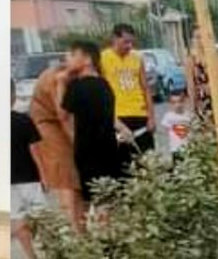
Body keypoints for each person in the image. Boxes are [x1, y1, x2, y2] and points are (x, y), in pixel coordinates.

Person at [27, 46, 86, 232]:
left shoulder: (73, 77)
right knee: (65, 177)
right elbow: (64, 117)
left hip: (58, 124)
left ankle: (79, 225)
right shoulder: (56, 79)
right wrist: (79, 144)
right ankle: (72, 227)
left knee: (75, 177)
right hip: (47, 125)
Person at [62, 39, 128, 205]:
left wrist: (60, 84)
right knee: (109, 200)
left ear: (87, 59)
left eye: (72, 55)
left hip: (87, 153)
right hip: (109, 149)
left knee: (96, 202)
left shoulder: (76, 86)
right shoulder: (104, 85)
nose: (67, 60)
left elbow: (62, 115)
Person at [101, 23, 153, 159]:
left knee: (147, 159)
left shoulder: (137, 58)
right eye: (125, 42)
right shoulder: (103, 58)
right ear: (114, 39)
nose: (129, 46)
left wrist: (151, 117)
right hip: (119, 116)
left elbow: (145, 88)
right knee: (123, 162)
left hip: (139, 114)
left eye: (131, 42)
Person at [12, 101, 46, 259]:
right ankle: (51, 252)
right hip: (29, 178)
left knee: (18, 221)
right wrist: (44, 177)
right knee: (42, 217)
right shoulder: (23, 120)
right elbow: (36, 153)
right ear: (14, 96)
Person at [155, 88, 196, 159]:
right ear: (170, 104)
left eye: (180, 102)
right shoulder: (168, 116)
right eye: (174, 102)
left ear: (184, 102)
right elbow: (163, 131)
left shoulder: (189, 115)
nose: (177, 105)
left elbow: (194, 128)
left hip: (189, 147)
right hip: (175, 149)